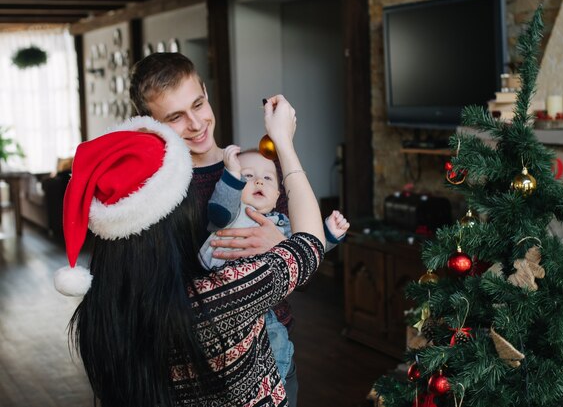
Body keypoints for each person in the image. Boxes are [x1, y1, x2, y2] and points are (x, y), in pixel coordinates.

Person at [55, 95, 324, 407]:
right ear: (177, 215)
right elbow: (310, 246)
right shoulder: (224, 294)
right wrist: (284, 144)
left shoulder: (100, 312)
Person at [129, 52, 301, 400]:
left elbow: (305, 259)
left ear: (206, 91)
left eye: (199, 103)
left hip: (274, 352)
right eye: (176, 116)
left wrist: (281, 249)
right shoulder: (155, 192)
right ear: (150, 123)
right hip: (199, 369)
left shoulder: (257, 169)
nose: (196, 123)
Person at [198, 146, 349, 387]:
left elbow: (305, 249)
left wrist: (329, 235)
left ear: (277, 195)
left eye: (267, 178)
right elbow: (218, 211)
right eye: (248, 175)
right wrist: (232, 175)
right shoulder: (232, 213)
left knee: (275, 341)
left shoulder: (282, 224)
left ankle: (271, 389)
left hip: (264, 307)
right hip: (224, 303)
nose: (258, 180)